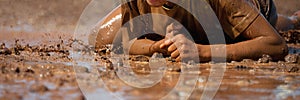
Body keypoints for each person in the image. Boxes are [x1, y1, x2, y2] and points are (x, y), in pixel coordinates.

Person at [92, 0, 300, 62]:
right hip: (186, 23)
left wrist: (202, 52)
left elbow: (275, 44)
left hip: (247, 11)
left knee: (274, 25)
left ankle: (293, 20)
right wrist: (156, 47)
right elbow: (101, 40)